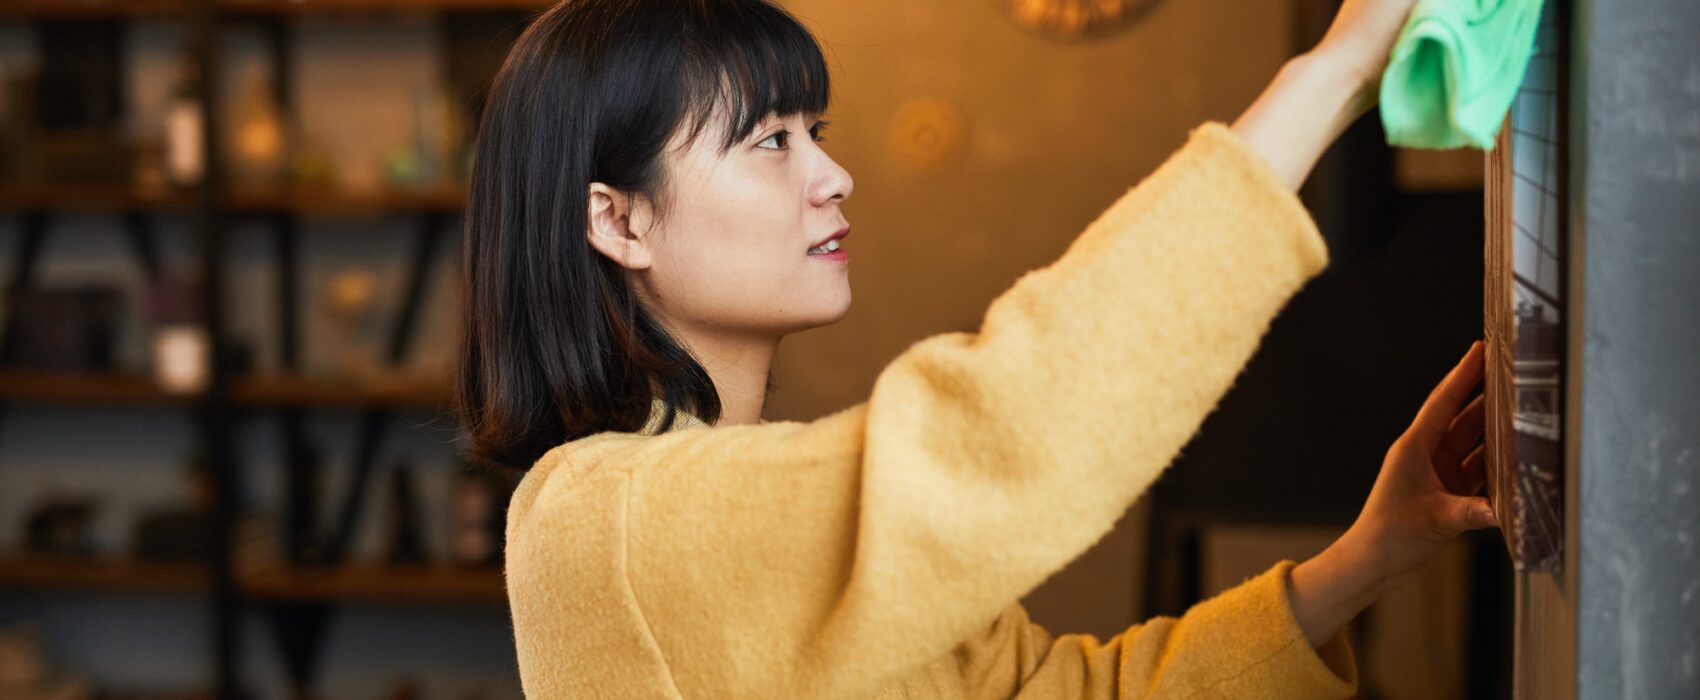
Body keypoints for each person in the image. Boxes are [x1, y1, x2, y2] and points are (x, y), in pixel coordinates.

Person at [455, 0, 1498, 697]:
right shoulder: (598, 518)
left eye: (816, 132)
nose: (830, 176)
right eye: (770, 141)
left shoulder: (770, 510)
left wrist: (1371, 552)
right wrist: (1333, 70)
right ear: (616, 220)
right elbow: (1016, 426)